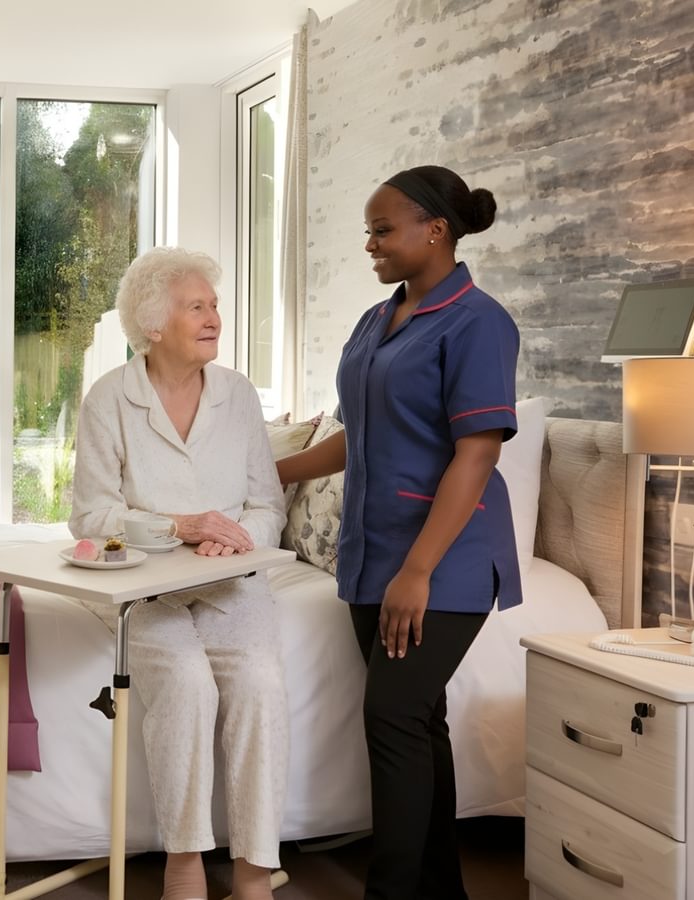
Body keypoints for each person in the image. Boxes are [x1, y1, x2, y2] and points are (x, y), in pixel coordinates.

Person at [276, 165, 519, 900]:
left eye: (383, 229)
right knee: (416, 722)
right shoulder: (376, 320)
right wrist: (268, 470)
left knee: (393, 715)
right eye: (370, 231)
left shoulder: (479, 322)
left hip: (444, 558)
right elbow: (357, 434)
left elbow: (476, 454)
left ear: (434, 230)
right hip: (371, 554)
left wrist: (417, 572)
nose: (370, 244)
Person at [70, 246, 288, 900]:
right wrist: (177, 528)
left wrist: (240, 540)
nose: (215, 316)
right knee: (188, 683)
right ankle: (184, 862)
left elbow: (267, 501)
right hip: (146, 588)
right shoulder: (109, 399)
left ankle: (255, 868)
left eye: (214, 305)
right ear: (153, 323)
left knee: (259, 680)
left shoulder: (238, 395)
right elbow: (89, 516)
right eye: (198, 306)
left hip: (233, 581)